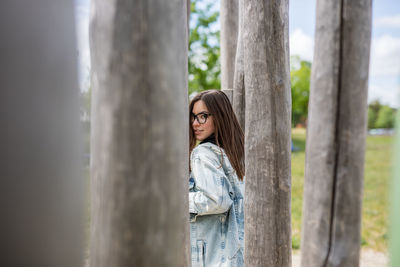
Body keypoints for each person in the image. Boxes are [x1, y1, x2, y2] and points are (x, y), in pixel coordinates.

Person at [189, 90, 244, 267]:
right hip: (236, 254)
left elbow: (217, 200)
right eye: (193, 117)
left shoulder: (202, 154)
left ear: (219, 116)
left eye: (203, 116)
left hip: (214, 256)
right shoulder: (235, 154)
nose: (195, 123)